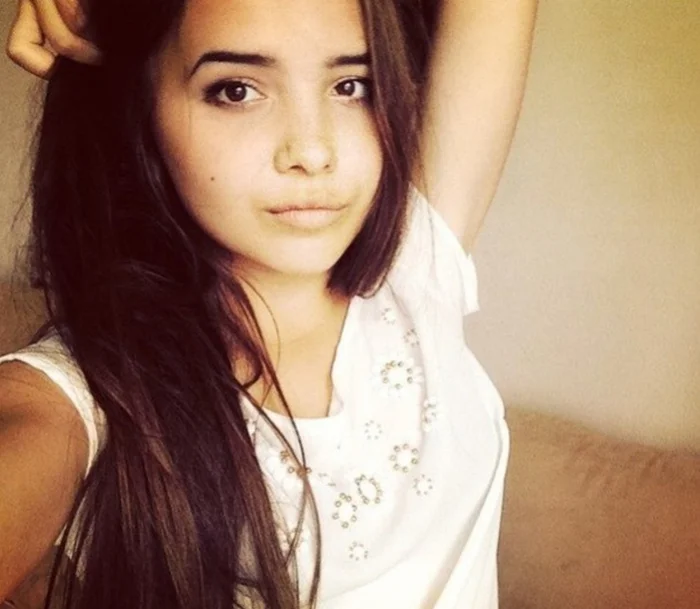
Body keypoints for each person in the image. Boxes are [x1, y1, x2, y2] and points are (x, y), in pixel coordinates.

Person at [1, 0, 538, 607]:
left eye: (351, 85)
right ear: (139, 107)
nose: (313, 150)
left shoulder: (415, 269)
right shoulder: (91, 397)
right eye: (236, 90)